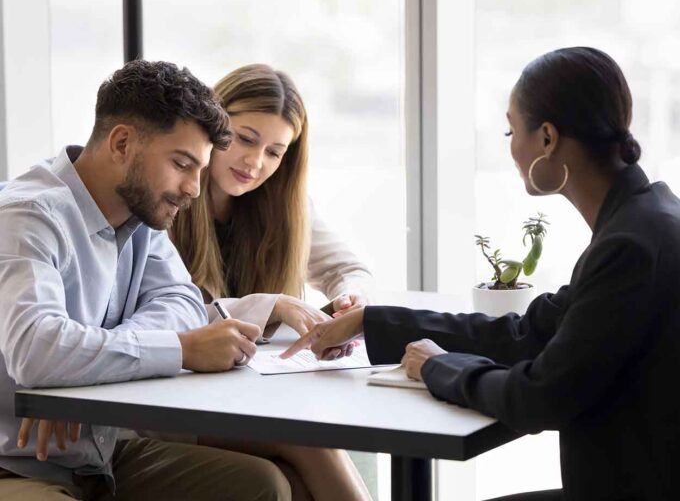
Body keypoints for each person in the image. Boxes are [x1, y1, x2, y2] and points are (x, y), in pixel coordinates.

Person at [283, 47, 680, 500]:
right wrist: (371, 321)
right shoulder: (646, 219)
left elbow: (538, 398)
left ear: (547, 138)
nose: (510, 146)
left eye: (512, 130)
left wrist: (438, 367)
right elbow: (528, 332)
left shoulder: (629, 246)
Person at [0, 60, 291, 500]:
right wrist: (183, 348)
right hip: (17, 466)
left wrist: (80, 375)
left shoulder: (141, 217)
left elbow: (183, 301)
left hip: (97, 455)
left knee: (263, 485)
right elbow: (37, 350)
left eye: (200, 168)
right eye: (182, 163)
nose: (194, 188)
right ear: (121, 143)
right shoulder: (28, 216)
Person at [168, 64, 373, 501]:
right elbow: (168, 319)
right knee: (312, 444)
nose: (254, 163)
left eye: (275, 152)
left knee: (295, 486)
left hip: (247, 397)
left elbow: (348, 269)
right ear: (211, 123)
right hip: (173, 403)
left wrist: (349, 300)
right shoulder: (169, 197)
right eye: (245, 139)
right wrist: (272, 305)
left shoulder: (284, 205)